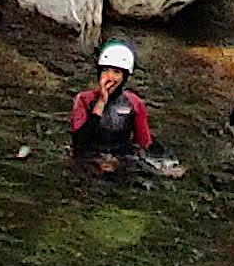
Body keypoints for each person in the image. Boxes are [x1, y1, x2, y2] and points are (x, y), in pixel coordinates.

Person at [67, 41, 179, 178]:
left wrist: (119, 163)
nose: (109, 77)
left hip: (121, 160)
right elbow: (79, 142)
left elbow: (143, 144)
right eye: (105, 70)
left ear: (124, 77)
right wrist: (100, 103)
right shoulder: (84, 100)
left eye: (116, 72)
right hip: (89, 159)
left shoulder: (134, 103)